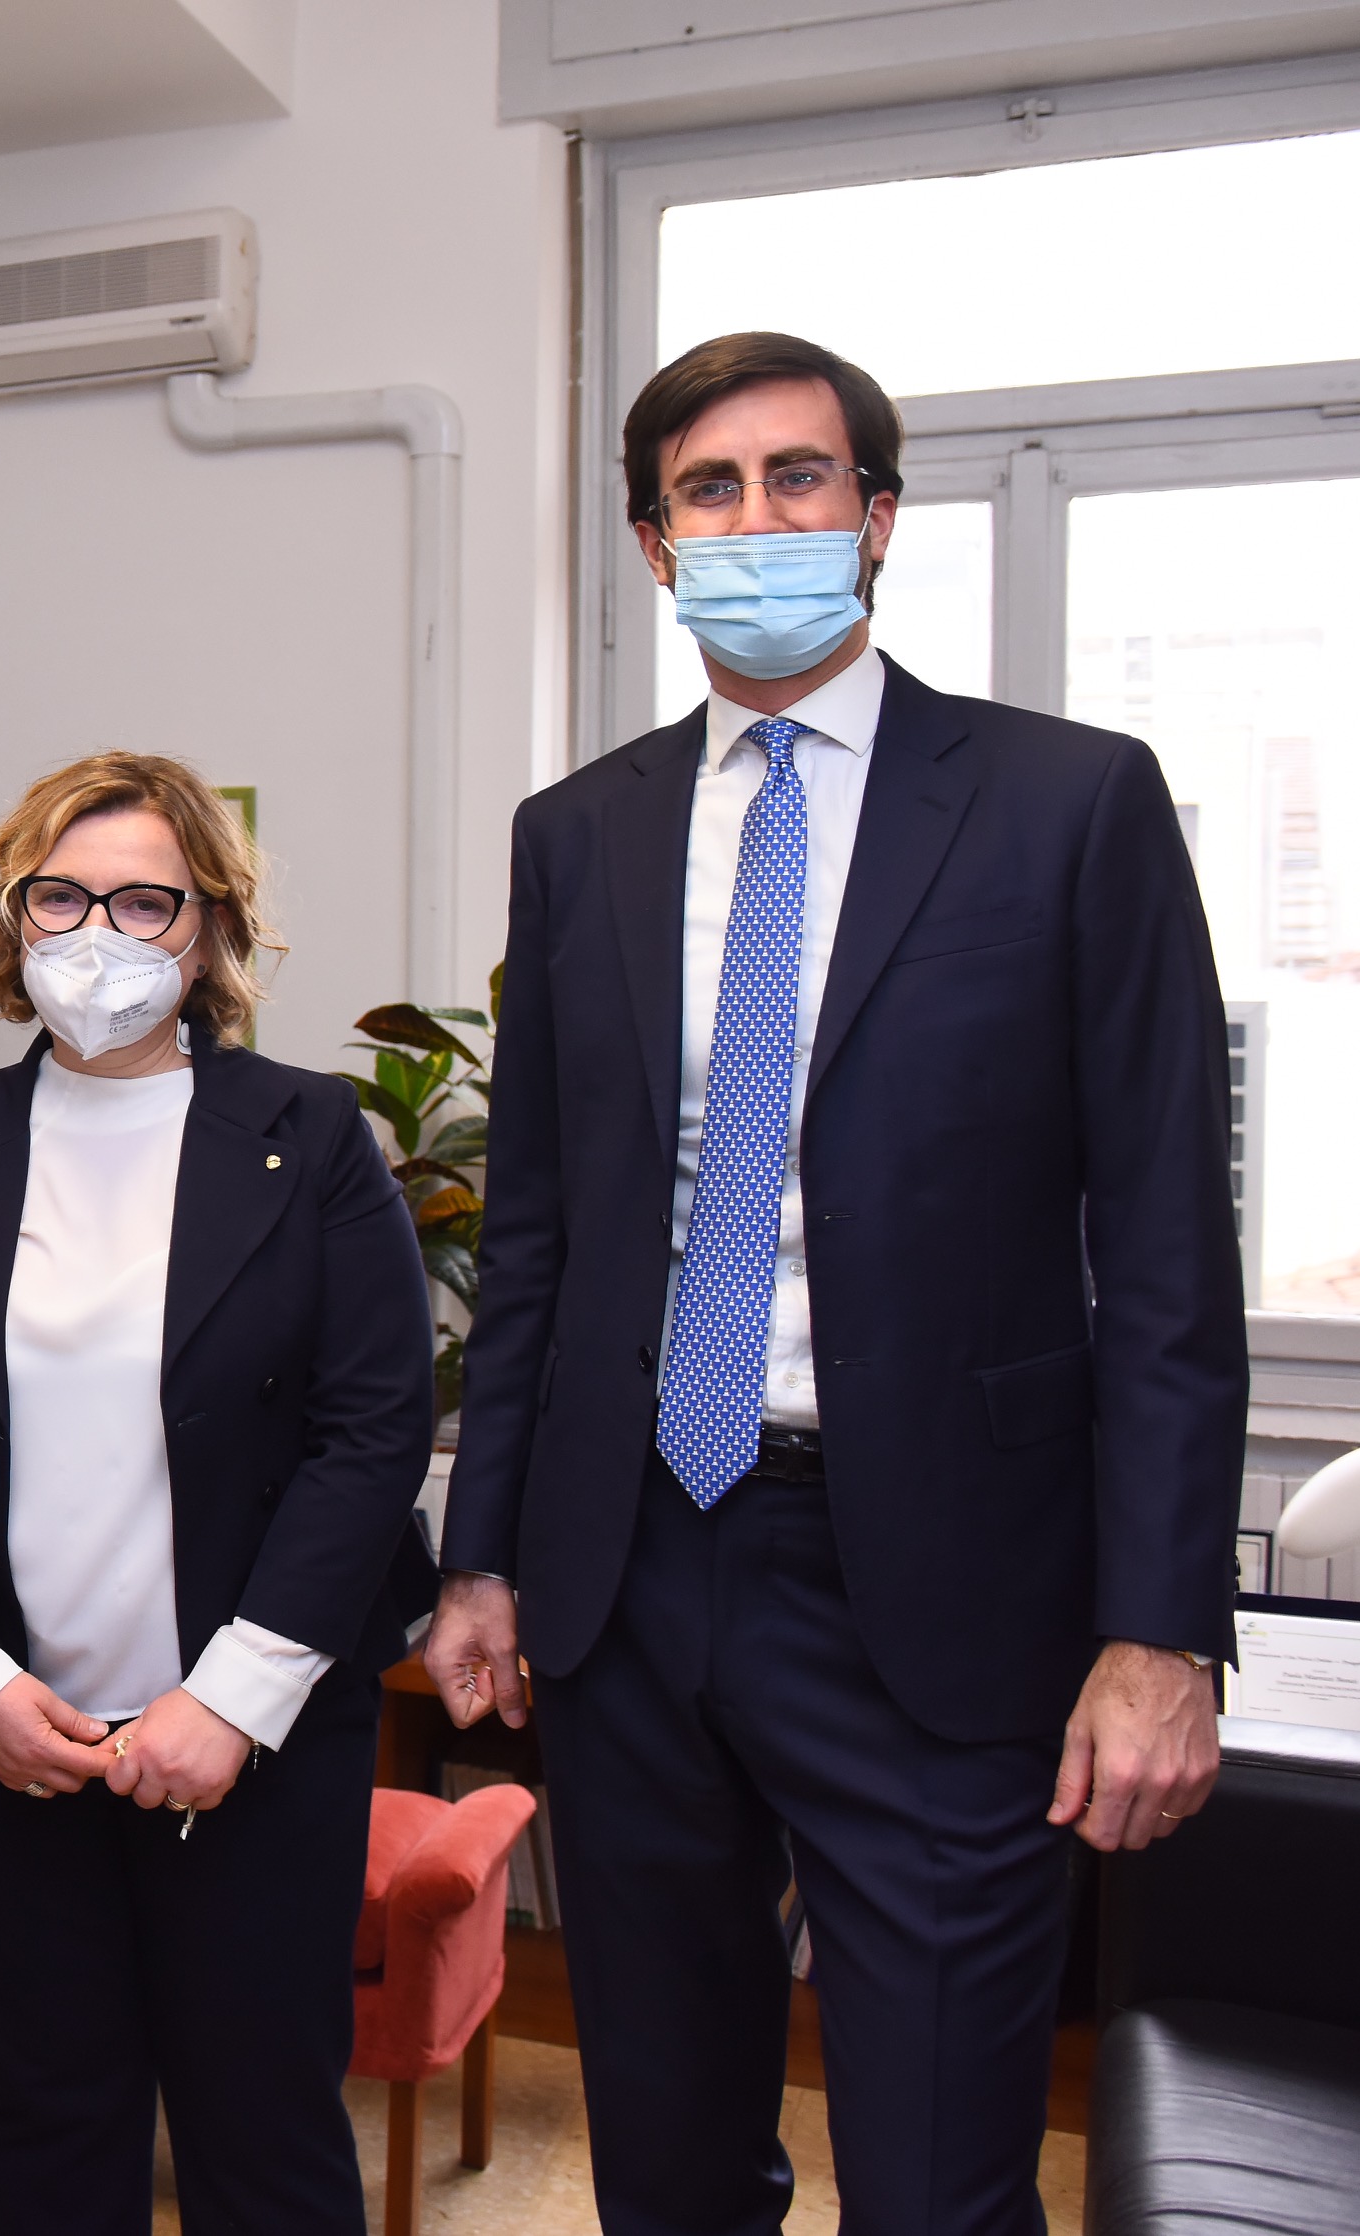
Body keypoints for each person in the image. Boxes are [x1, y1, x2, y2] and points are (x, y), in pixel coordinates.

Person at [429, 332, 1243, 2236]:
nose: (758, 520)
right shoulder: (581, 835)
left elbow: (1166, 1251)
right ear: (656, 546)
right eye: (708, 491)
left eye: (800, 478)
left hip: (946, 1588)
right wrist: (484, 1556)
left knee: (943, 2178)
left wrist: (1161, 1631)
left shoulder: (1068, 804)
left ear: (877, 519)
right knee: (666, 2160)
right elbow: (538, 1232)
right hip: (633, 1571)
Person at [0, 752, 438, 2235]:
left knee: (266, 2134)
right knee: (50, 2121)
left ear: (207, 934)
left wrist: (233, 1700)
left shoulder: (312, 1139)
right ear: (12, 920)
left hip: (255, 1741)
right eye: (63, 897)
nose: (100, 935)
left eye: (146, 901)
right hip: (12, 1748)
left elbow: (370, 1432)